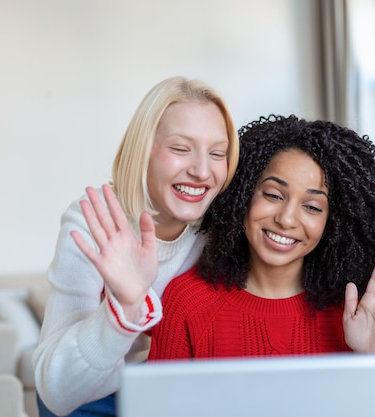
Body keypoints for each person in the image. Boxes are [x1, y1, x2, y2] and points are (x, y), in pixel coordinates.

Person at [32, 76, 239, 416]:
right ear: (143, 151)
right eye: (180, 148)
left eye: (217, 153)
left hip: (163, 390)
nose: (202, 170)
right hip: (87, 399)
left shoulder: (219, 230)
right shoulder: (94, 221)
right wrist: (123, 309)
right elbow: (57, 392)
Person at [146, 114, 375, 360]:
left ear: (334, 223)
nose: (286, 219)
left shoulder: (355, 317)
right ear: (242, 195)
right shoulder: (187, 302)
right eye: (273, 195)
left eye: (312, 207)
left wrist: (374, 363)